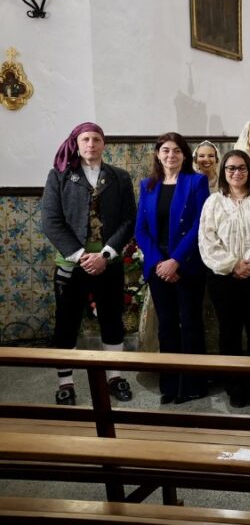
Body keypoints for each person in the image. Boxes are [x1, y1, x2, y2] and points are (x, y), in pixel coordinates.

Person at [40, 122, 137, 406]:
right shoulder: (59, 176)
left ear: (103, 144)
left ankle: (114, 377)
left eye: (96, 139)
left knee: (112, 320)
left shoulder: (119, 177)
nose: (91, 144)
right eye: (85, 139)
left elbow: (128, 219)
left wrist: (105, 254)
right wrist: (80, 255)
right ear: (77, 143)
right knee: (66, 323)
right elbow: (51, 221)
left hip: (108, 262)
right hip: (72, 264)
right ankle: (66, 383)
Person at [198, 150, 250, 407]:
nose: (236, 173)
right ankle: (234, 385)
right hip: (223, 277)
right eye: (231, 169)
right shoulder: (214, 202)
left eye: (242, 168)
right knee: (230, 331)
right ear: (224, 172)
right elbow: (207, 239)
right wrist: (232, 264)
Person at [135, 132, 211, 403]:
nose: (171, 155)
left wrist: (176, 260)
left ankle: (193, 384)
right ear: (158, 154)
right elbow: (140, 229)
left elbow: (200, 224)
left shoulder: (196, 181)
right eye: (166, 150)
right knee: (166, 326)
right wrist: (158, 262)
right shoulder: (148, 185)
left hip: (187, 264)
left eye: (177, 150)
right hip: (158, 268)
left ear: (184, 155)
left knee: (190, 323)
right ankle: (169, 385)